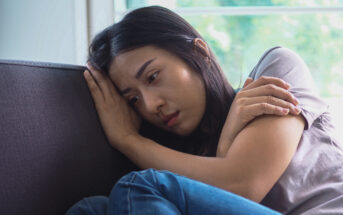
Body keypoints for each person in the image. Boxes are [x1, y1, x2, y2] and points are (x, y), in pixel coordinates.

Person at [66, 6, 343, 215]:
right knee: (93, 209)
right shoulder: (183, 158)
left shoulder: (274, 74)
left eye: (152, 77)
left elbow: (244, 184)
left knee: (138, 186)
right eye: (133, 100)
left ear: (199, 53)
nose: (151, 106)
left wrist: (130, 141)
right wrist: (224, 147)